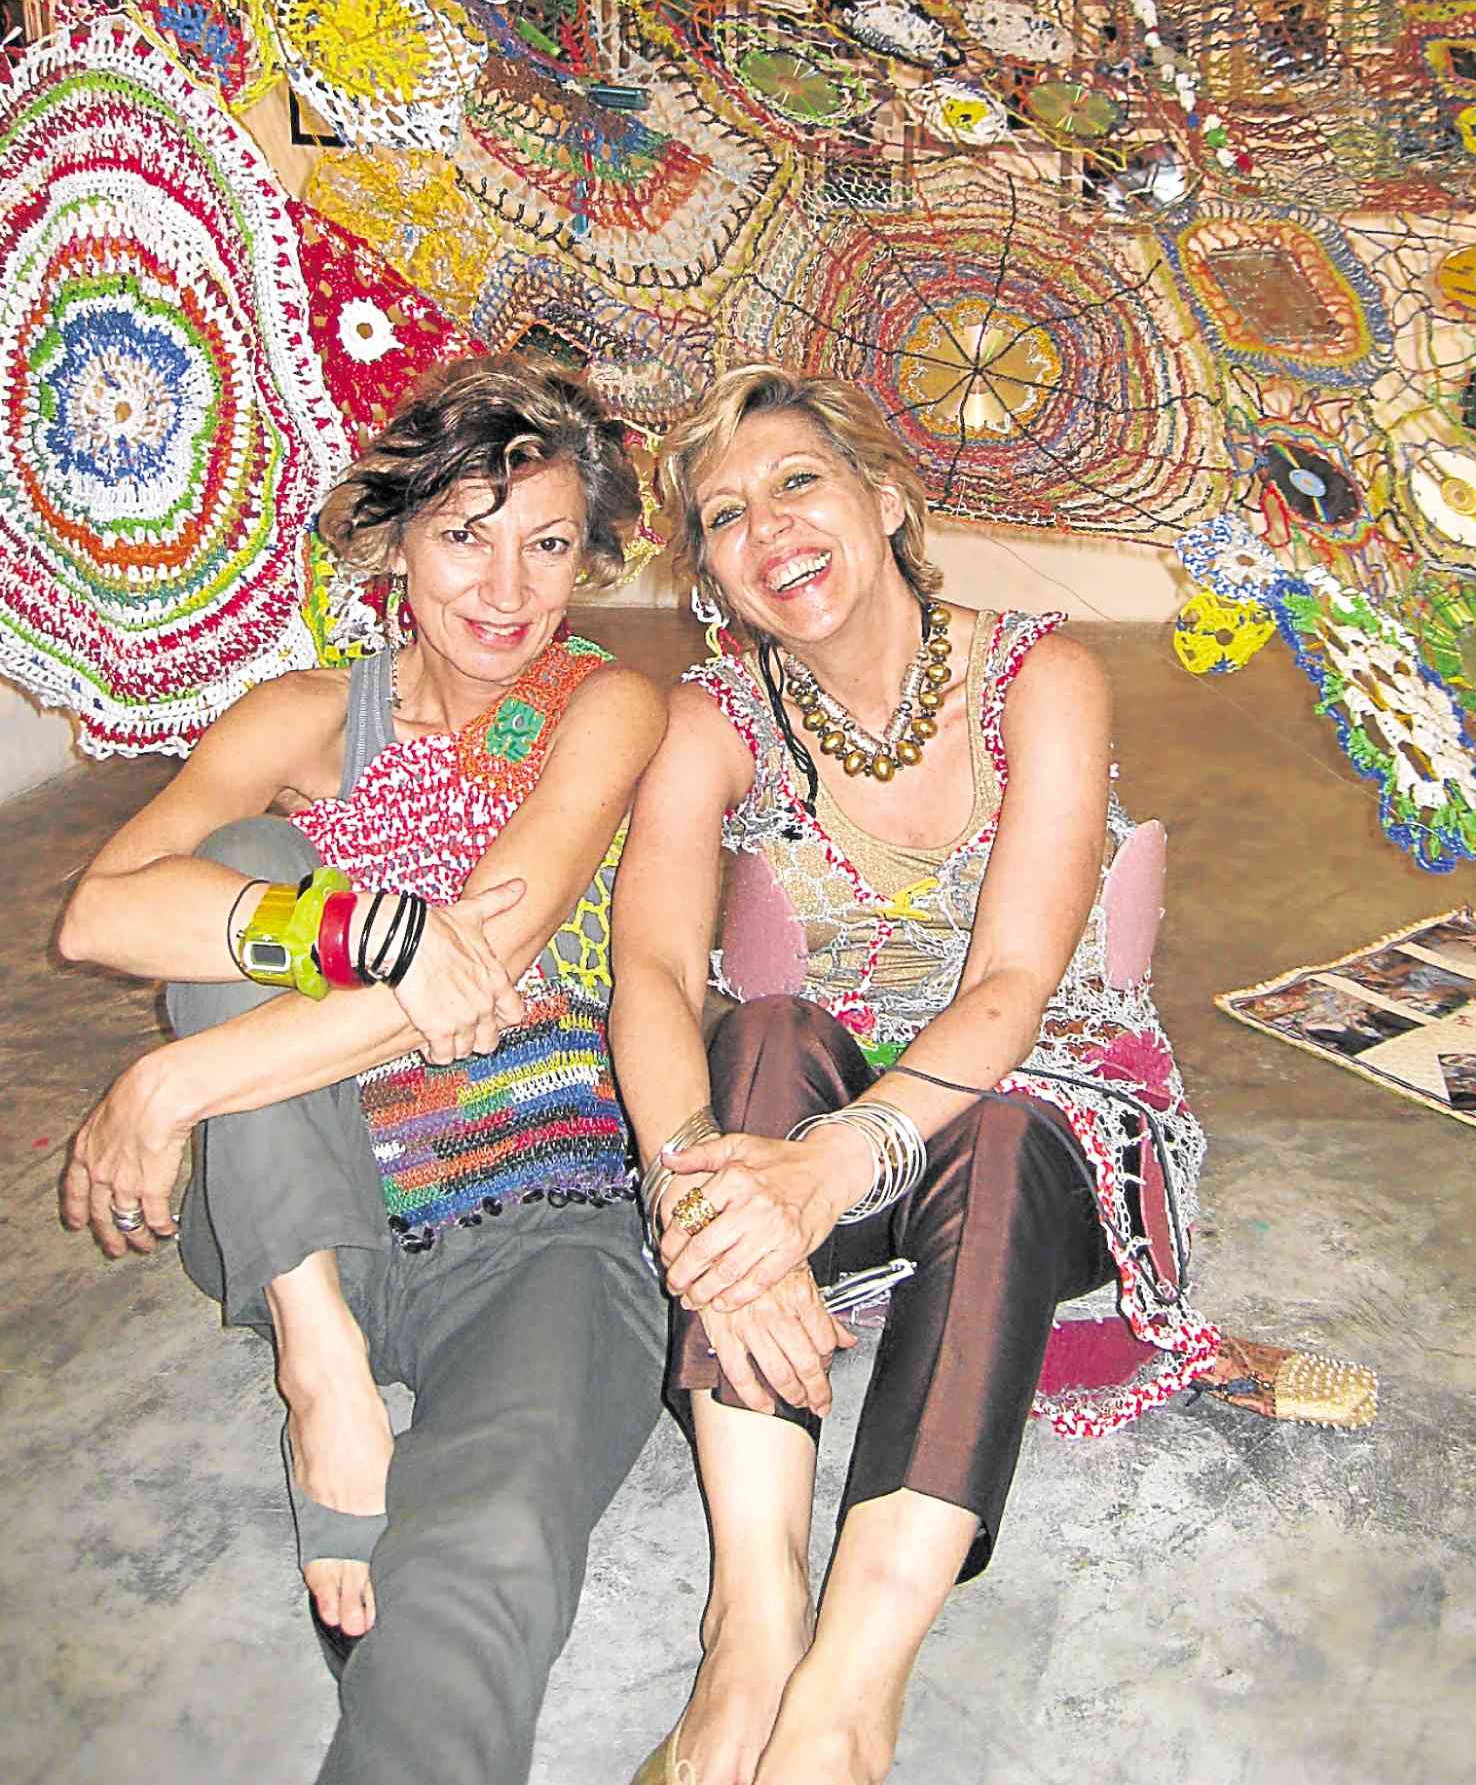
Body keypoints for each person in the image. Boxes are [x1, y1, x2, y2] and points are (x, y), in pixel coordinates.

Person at [609, 367, 1374, 1785]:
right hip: (816, 1128)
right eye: (724, 514)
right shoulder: (712, 718)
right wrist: (704, 1197)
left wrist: (829, 1167)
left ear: (888, 501)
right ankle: (752, 1628)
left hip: (1046, 1116)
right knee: (760, 1037)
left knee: (1006, 1132)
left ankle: (847, 1698)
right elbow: (651, 974)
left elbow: (1014, 987)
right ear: (710, 573)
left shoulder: (1043, 676)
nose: (768, 527)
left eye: (798, 481)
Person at [58, 356, 669, 1785]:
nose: (507, 589)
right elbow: (101, 915)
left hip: (540, 1214)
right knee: (250, 860)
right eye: (465, 535)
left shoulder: (606, 708)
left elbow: (490, 955)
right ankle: (319, 1360)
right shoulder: (299, 717)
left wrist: (166, 1087)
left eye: (548, 544)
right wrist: (373, 927)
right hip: (307, 1211)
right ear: (394, 541)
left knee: (488, 1543)